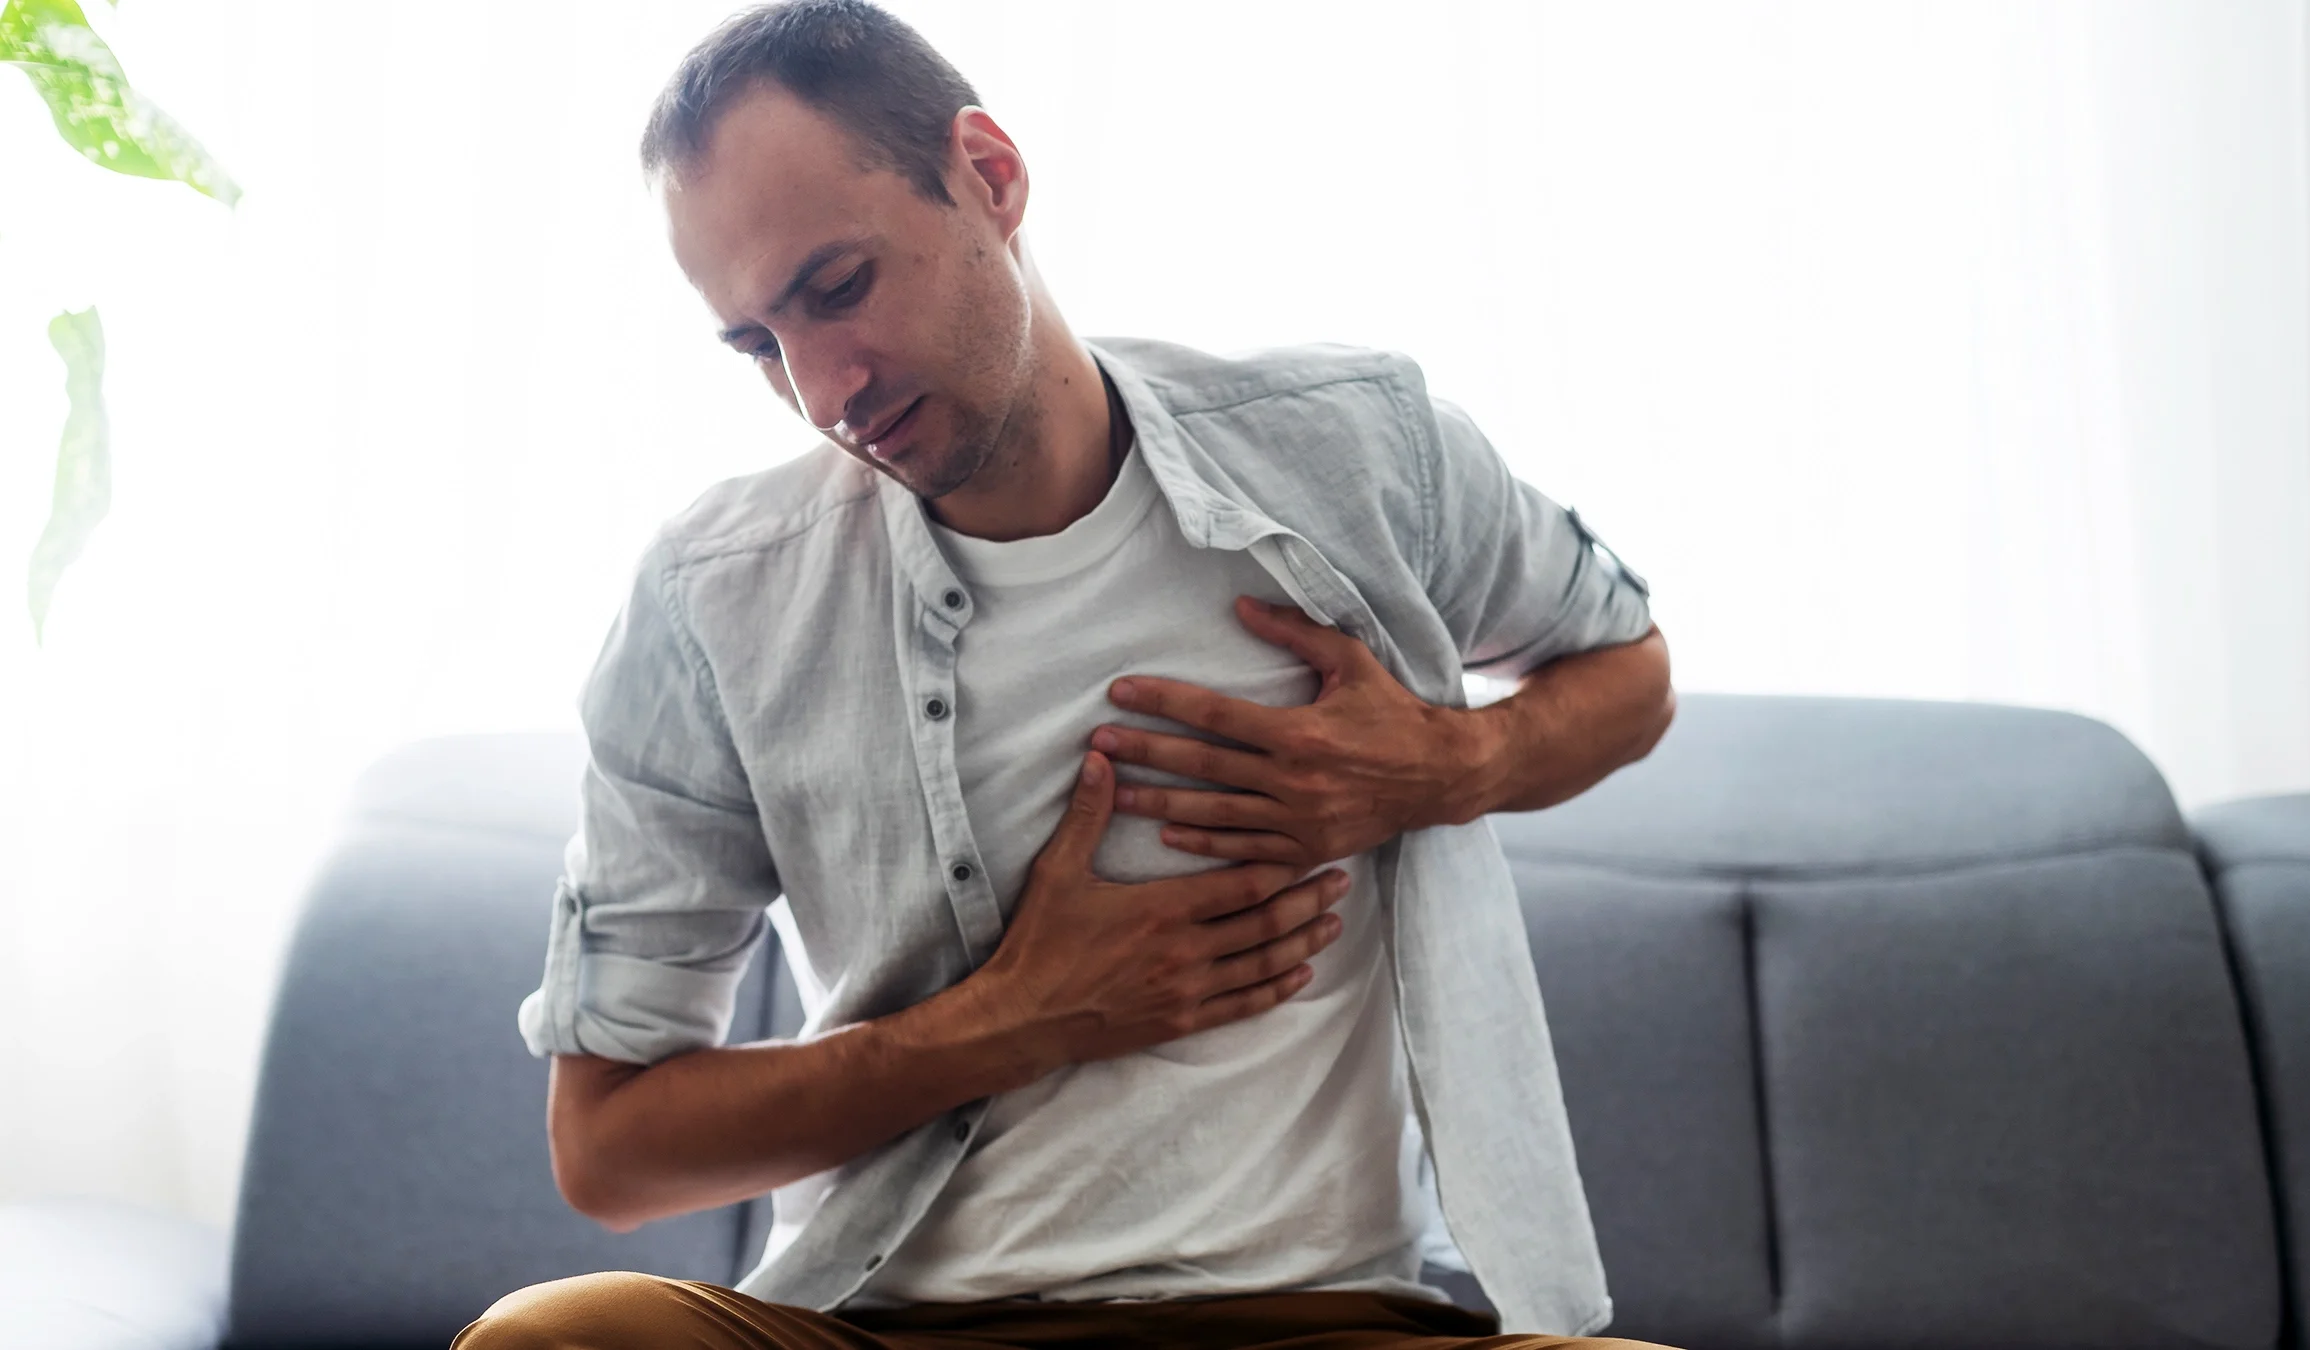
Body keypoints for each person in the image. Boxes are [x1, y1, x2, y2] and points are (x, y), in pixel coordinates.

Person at [458, 3, 1676, 1347]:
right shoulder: (717, 597)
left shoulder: (1355, 449)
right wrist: (1010, 1020)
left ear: (988, 176)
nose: (821, 389)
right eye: (758, 344)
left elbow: (1631, 667)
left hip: (1317, 1318)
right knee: (548, 1339)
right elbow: (610, 1147)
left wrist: (1450, 766)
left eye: (838, 287)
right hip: (900, 1326)